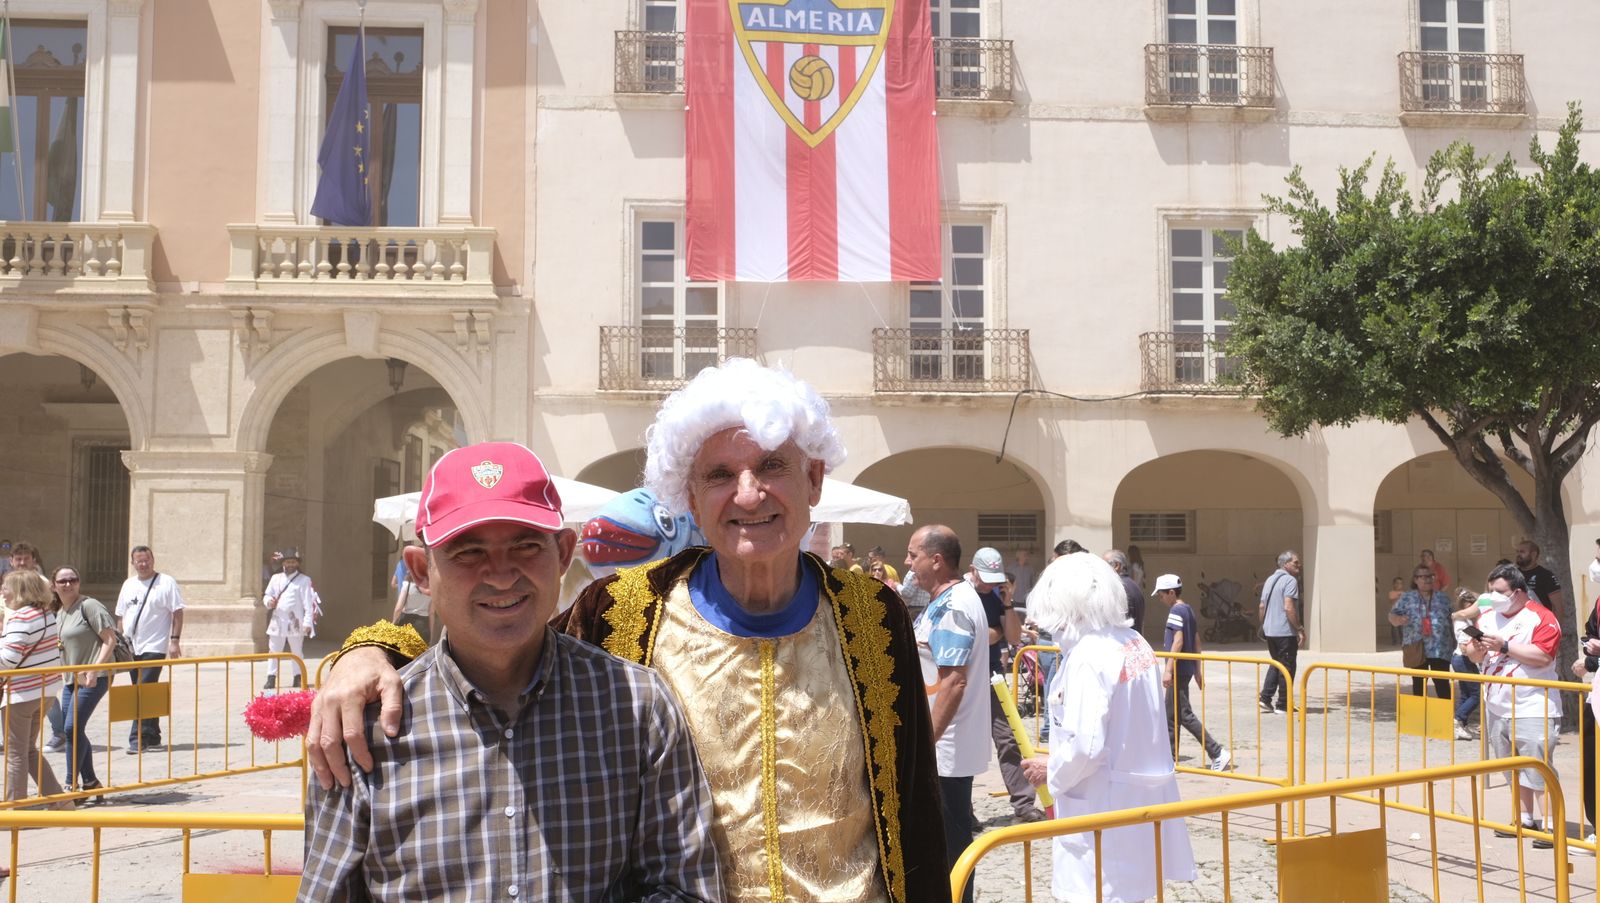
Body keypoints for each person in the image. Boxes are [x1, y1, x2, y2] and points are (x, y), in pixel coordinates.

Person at [309, 359, 951, 903]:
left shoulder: (872, 613)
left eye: (772, 467)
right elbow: (500, 643)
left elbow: (913, 804)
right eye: (720, 476)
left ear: (813, 480)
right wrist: (366, 652)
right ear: (690, 499)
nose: (749, 495)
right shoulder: (622, 609)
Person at [297, 442, 724, 900]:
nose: (501, 575)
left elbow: (684, 886)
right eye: (468, 551)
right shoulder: (365, 730)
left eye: (524, 545)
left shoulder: (636, 706)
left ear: (563, 554)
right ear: (421, 570)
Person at [1019, 553, 1196, 902]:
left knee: (1099, 891)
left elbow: (1085, 747)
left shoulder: (1089, 655)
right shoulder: (1132, 641)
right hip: (1135, 805)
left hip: (1103, 809)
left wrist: (1051, 770)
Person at [908, 525, 991, 903]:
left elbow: (954, 682)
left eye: (914, 556)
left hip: (945, 753)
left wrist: (925, 743)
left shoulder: (955, 606)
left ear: (936, 560)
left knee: (951, 848)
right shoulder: (946, 600)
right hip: (945, 749)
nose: (908, 564)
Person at [1464, 563, 1562, 850]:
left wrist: (1505, 646)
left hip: (1532, 704)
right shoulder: (1487, 617)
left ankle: (1551, 824)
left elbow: (1543, 656)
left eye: (1499, 591)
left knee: (1538, 767)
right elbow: (1471, 653)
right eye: (1490, 590)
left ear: (1518, 592)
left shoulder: (1541, 617)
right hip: (1497, 705)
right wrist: (1477, 650)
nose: (1492, 596)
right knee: (1511, 767)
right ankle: (1523, 818)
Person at [969, 547, 1045, 823]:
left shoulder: (996, 596)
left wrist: (1008, 603)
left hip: (992, 679)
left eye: (995, 578)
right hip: (964, 679)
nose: (990, 583)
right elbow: (979, 636)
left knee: (1008, 740)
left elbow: (1012, 637)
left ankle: (1024, 805)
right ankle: (962, 811)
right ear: (972, 569)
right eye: (985, 577)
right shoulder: (964, 594)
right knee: (965, 744)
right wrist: (992, 633)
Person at [0, 570, 71, 807]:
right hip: (45, 691)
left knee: (15, 754)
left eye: (6, 587)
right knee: (28, 750)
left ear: (20, 590)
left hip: (22, 693)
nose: (3, 592)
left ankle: (14, 811)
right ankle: (61, 803)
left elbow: (8, 659)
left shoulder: (21, 617)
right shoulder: (45, 614)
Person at [48, 566, 116, 798]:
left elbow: (110, 639)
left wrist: (95, 670)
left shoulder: (90, 606)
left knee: (71, 728)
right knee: (75, 730)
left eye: (73, 580)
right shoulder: (60, 613)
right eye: (63, 581)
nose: (68, 584)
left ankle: (70, 784)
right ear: (54, 585)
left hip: (93, 678)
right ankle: (90, 781)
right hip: (71, 679)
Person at [1155, 574, 1230, 772]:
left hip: (1178, 669)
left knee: (1183, 714)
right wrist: (1197, 669)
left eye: (1161, 594)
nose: (1160, 598)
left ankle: (1216, 752)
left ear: (1171, 592)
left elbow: (1178, 640)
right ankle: (1170, 759)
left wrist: (1168, 670)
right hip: (1186, 668)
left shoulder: (1175, 611)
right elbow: (1196, 640)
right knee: (1172, 715)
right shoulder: (1187, 609)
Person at [115, 545, 185, 753]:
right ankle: (154, 734)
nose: (143, 564)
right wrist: (120, 641)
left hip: (155, 645)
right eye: (139, 561)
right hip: (131, 646)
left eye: (147, 560)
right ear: (133, 563)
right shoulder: (128, 584)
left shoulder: (166, 582)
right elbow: (121, 614)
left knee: (142, 689)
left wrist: (174, 641)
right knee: (145, 688)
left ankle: (138, 738)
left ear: (153, 561)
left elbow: (178, 613)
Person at [1388, 565, 1453, 698]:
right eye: (1423, 577)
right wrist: (1399, 619)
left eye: (1430, 576)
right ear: (1415, 579)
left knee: (1442, 684)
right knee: (1418, 685)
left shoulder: (1443, 598)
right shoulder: (1407, 597)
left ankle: (1445, 717)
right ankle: (1420, 717)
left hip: (1440, 649)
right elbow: (1392, 616)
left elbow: (1453, 618)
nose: (1427, 580)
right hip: (1417, 647)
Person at [262, 548, 319, 690]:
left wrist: (307, 623)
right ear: (283, 563)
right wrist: (269, 602)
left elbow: (308, 603)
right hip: (277, 620)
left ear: (297, 564)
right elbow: (267, 595)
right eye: (288, 562)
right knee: (274, 650)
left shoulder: (304, 580)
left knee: (296, 651)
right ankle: (271, 677)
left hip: (295, 621)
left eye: (293, 562)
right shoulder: (276, 579)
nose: (290, 564)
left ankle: (298, 677)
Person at [1257, 550, 1303, 714]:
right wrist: (1298, 628)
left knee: (1277, 663)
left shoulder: (1269, 579)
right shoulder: (1290, 581)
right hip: (1285, 632)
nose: (1299, 565)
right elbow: (1288, 606)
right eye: (1296, 563)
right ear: (1286, 564)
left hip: (1271, 631)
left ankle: (1265, 698)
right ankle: (1283, 704)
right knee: (1287, 666)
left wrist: (1265, 624)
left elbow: (1262, 606)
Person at [1571, 596, 1600, 848]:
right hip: (1597, 698)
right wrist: (1590, 651)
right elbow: (1589, 634)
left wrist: (1592, 661)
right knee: (1593, 765)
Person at [1449, 588, 1487, 739]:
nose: (1471, 607)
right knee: (1476, 694)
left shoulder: (1470, 620)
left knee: (1466, 694)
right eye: (1467, 604)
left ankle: (1461, 724)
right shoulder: (1463, 621)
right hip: (1463, 660)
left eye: (1473, 604)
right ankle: (1457, 720)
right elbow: (1464, 646)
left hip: (1463, 660)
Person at [389, 556, 433, 640]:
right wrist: (431, 631)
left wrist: (393, 624)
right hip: (424, 624)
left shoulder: (407, 585)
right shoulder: (431, 588)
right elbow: (431, 612)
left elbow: (398, 608)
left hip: (407, 622)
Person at [1103, 549, 1146, 633]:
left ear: (1116, 565)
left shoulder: (1119, 588)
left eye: (1104, 565)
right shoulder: (1133, 586)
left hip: (1123, 642)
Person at [1515, 540, 1565, 612]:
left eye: (1522, 552)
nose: (1518, 554)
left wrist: (1554, 623)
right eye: (1517, 552)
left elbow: (1558, 607)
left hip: (1540, 620)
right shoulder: (1512, 575)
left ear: (1533, 554)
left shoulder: (1546, 575)